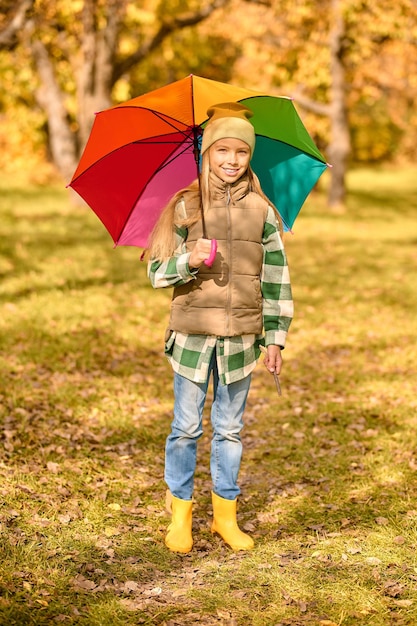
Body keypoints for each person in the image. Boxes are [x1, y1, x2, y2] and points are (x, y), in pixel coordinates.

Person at [147, 102, 293, 553]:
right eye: (222, 150)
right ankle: (180, 515)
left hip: (243, 340)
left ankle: (224, 516)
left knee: (229, 429)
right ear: (206, 152)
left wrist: (276, 337)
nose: (231, 160)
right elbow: (154, 272)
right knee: (186, 427)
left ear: (250, 157)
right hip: (192, 336)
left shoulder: (263, 213)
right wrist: (186, 260)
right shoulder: (186, 207)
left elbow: (276, 279)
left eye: (241, 152)